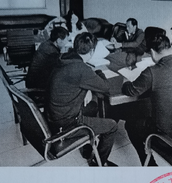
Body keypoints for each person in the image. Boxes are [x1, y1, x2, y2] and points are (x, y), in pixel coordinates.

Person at [121, 34, 172, 166]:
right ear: (170, 48)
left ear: (152, 53)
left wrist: (125, 81)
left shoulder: (152, 72)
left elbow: (130, 91)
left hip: (170, 139)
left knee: (131, 125)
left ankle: (150, 166)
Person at [46, 32, 118, 166]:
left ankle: (87, 149)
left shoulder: (63, 58)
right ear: (91, 51)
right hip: (66, 124)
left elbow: (73, 81)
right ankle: (99, 163)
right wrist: (98, 71)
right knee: (112, 126)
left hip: (54, 115)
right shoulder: (81, 69)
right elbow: (106, 87)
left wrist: (87, 89)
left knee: (93, 107)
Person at [26, 26, 69, 90]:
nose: (67, 43)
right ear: (58, 40)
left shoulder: (46, 44)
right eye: (66, 40)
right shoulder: (52, 51)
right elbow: (60, 68)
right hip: (37, 86)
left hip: (33, 81)